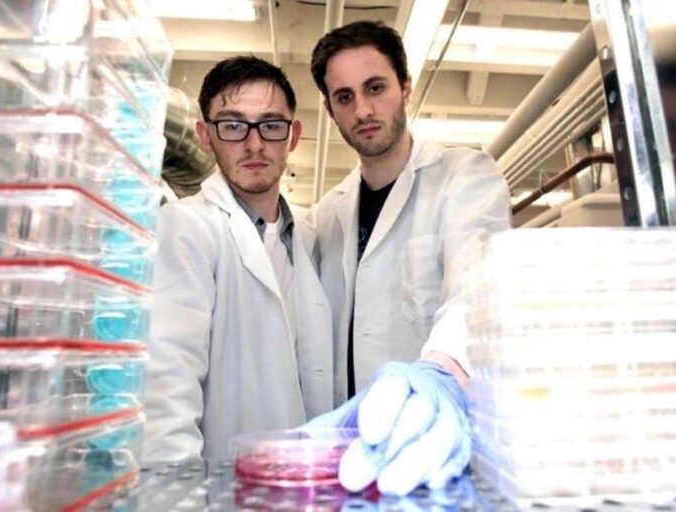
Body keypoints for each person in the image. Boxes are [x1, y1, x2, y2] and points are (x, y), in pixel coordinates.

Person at [305, 21, 512, 495]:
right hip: (354, 451)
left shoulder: (464, 175)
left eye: (375, 88)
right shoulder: (328, 213)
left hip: (436, 442)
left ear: (405, 86)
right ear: (330, 110)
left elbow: (477, 288)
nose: (362, 109)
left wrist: (442, 373)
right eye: (344, 97)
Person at [144, 56, 334, 461]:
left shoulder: (307, 236)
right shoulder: (185, 226)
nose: (254, 144)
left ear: (293, 135)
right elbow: (167, 380)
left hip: (305, 471)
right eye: (232, 126)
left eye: (271, 125)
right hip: (225, 476)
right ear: (205, 135)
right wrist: (175, 486)